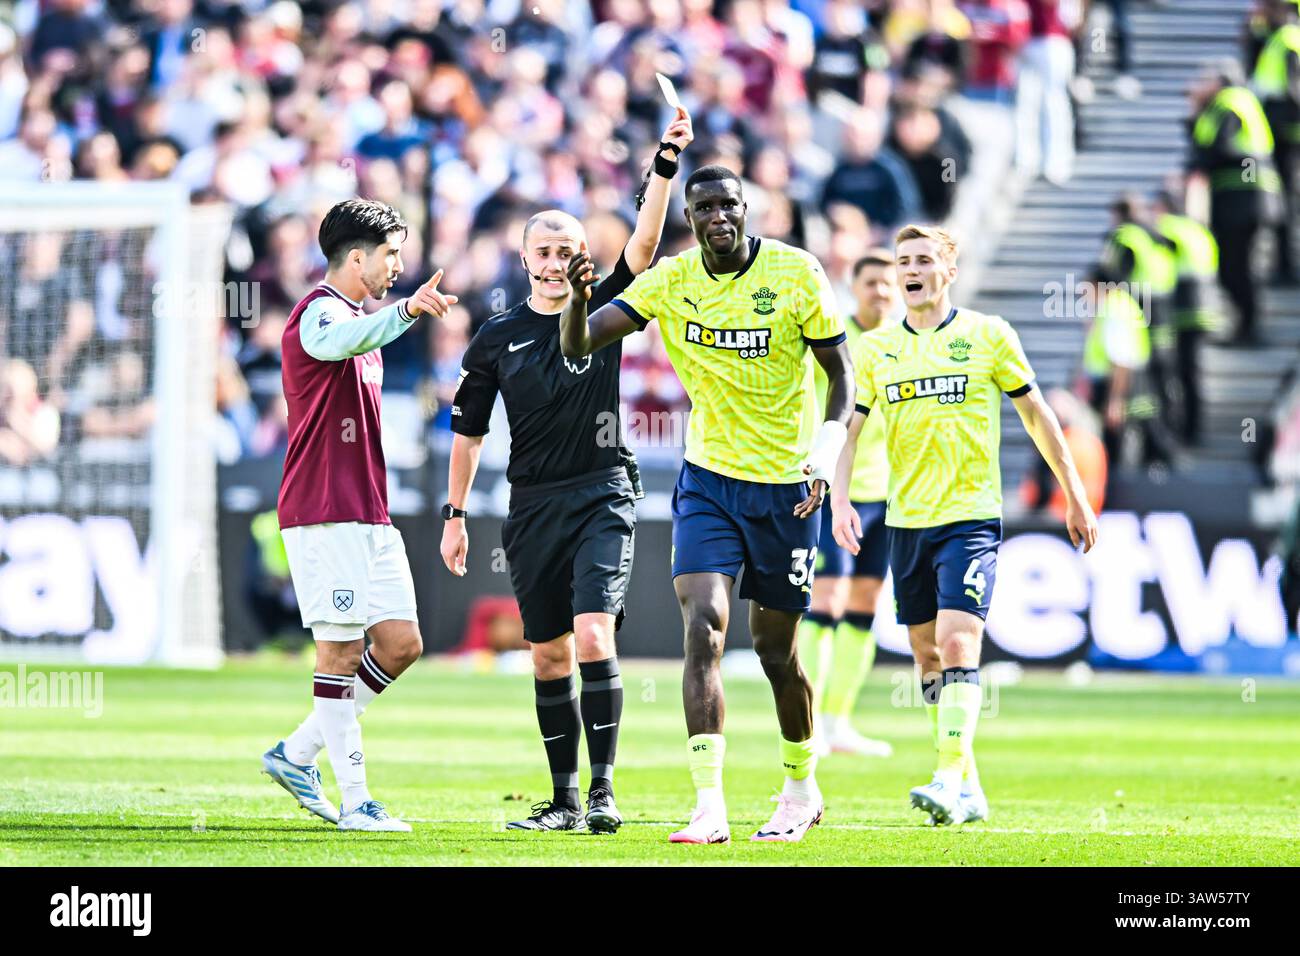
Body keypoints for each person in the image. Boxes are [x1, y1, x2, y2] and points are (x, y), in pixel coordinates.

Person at [559, 164, 856, 845]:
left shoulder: (796, 274)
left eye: (728, 203)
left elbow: (842, 375)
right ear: (688, 219)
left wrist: (826, 451)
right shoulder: (671, 279)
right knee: (706, 629)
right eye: (703, 208)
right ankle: (709, 806)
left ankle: (800, 787)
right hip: (708, 481)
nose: (717, 215)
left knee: (778, 654)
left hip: (786, 487)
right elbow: (579, 345)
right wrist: (577, 299)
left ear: (747, 208)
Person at [440, 109, 694, 834]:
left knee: (592, 636)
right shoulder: (496, 338)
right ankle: (564, 799)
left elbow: (645, 245)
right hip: (532, 503)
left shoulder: (606, 306)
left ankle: (606, 792)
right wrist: (456, 516)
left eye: (568, 251)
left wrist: (664, 165)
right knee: (547, 654)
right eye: (544, 251)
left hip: (603, 493)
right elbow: (468, 429)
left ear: (584, 257)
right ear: (525, 259)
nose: (556, 262)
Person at [835, 225, 1098, 826]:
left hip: (970, 515)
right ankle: (968, 783)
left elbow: (1038, 415)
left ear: (947, 271)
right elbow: (849, 430)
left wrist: (1075, 494)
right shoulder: (875, 350)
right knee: (927, 656)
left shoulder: (987, 335)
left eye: (923, 259)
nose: (910, 269)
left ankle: (949, 776)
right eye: (903, 261)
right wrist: (841, 498)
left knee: (959, 643)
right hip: (906, 521)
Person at [261, 198, 457, 832]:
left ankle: (295, 753)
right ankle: (357, 803)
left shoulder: (358, 320)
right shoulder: (319, 314)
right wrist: (405, 312)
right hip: (324, 510)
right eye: (391, 253)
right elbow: (345, 339)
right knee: (340, 651)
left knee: (401, 645)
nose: (398, 265)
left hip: (369, 511)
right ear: (355, 258)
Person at [799, 251, 899, 759]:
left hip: (887, 494)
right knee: (827, 602)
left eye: (888, 283)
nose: (881, 291)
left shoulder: (906, 343)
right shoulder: (835, 339)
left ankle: (839, 722)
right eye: (872, 283)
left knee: (863, 606)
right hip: (834, 490)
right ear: (854, 288)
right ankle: (808, 722)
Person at [1187, 58, 1283, 345]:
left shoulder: (1229, 103)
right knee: (1235, 266)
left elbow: (1217, 149)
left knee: (1234, 267)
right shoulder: (1235, 103)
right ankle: (1247, 325)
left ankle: (1250, 326)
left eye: (1204, 80)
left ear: (1220, 81)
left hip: (1242, 200)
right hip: (1247, 198)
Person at [1153, 189, 1222, 444]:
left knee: (1183, 373)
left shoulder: (1169, 227)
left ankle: (1188, 429)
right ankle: (1193, 427)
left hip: (1183, 310)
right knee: (1192, 372)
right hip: (1205, 309)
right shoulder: (1199, 231)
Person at [1251, 0, 1300, 284]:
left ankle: (1286, 265)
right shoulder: (1278, 40)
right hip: (1284, 133)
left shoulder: (1288, 40)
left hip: (1287, 135)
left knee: (1286, 202)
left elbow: (1294, 90)